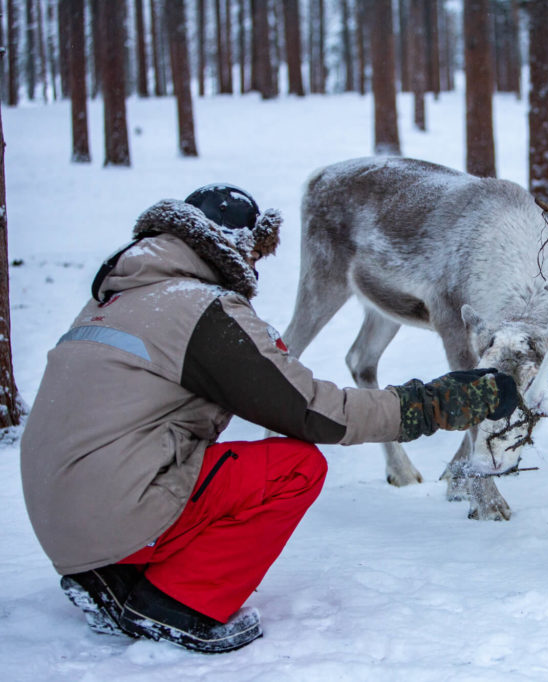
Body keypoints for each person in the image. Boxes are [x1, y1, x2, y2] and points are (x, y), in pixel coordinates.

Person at [19, 184, 519, 654]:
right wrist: (432, 405)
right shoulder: (200, 310)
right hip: (112, 513)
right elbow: (314, 412)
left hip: (61, 520)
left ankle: (115, 575)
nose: (257, 265)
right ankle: (178, 604)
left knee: (206, 460)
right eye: (257, 254)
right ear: (235, 246)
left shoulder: (112, 299)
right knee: (295, 468)